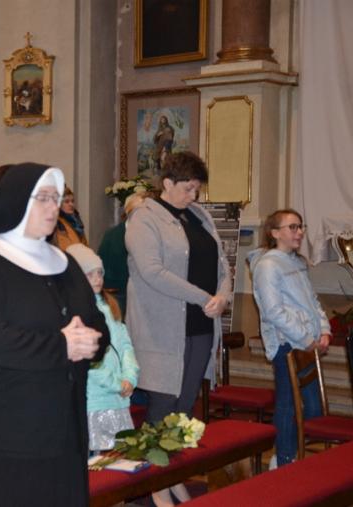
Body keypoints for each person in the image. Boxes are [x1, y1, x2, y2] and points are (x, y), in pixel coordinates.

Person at [0, 162, 109, 506]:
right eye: (44, 198)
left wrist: (93, 342)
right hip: (6, 430)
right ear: (18, 200)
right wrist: (61, 346)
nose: (54, 208)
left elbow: (97, 321)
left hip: (64, 428)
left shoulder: (64, 263)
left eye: (57, 198)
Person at [125, 152, 230, 506]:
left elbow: (222, 265)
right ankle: (144, 491)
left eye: (197, 188)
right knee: (162, 407)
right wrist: (204, 297)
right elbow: (152, 271)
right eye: (188, 188)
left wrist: (223, 296)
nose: (194, 195)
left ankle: (168, 478)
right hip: (162, 329)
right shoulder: (144, 217)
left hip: (200, 326)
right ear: (167, 183)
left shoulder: (199, 216)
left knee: (183, 409)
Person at [248, 209, 330, 467]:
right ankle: (283, 460)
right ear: (275, 233)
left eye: (300, 226)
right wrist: (306, 339)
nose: (300, 232)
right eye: (292, 227)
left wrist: (324, 330)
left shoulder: (296, 262)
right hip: (287, 344)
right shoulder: (268, 266)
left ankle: (289, 452)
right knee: (288, 405)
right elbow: (273, 312)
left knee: (314, 409)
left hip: (306, 343)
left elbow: (312, 302)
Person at [66, 244, 139, 454]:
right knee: (95, 461)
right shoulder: (75, 312)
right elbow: (89, 361)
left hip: (118, 398)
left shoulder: (109, 305)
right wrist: (116, 383)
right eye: (90, 275)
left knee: (120, 457)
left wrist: (130, 377)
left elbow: (124, 345)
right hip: (95, 400)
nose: (97, 279)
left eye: (100, 273)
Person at [97, 192, 148, 318]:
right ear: (129, 212)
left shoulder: (151, 235)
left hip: (144, 293)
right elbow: (101, 264)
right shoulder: (112, 235)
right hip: (119, 293)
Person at [53, 185, 87, 250]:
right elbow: (63, 246)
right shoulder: (57, 223)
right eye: (67, 202)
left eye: (72, 201)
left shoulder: (77, 222)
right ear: (59, 205)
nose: (71, 204)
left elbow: (85, 244)